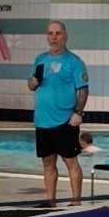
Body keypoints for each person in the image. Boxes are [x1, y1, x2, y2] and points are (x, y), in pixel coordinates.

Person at [28, 20, 89, 202]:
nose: (54, 37)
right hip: (42, 120)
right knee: (47, 162)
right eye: (50, 34)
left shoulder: (74, 62)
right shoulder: (40, 59)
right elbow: (31, 85)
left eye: (58, 33)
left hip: (65, 120)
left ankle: (75, 201)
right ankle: (51, 202)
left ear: (65, 36)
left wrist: (78, 113)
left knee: (70, 161)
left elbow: (83, 90)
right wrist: (32, 83)